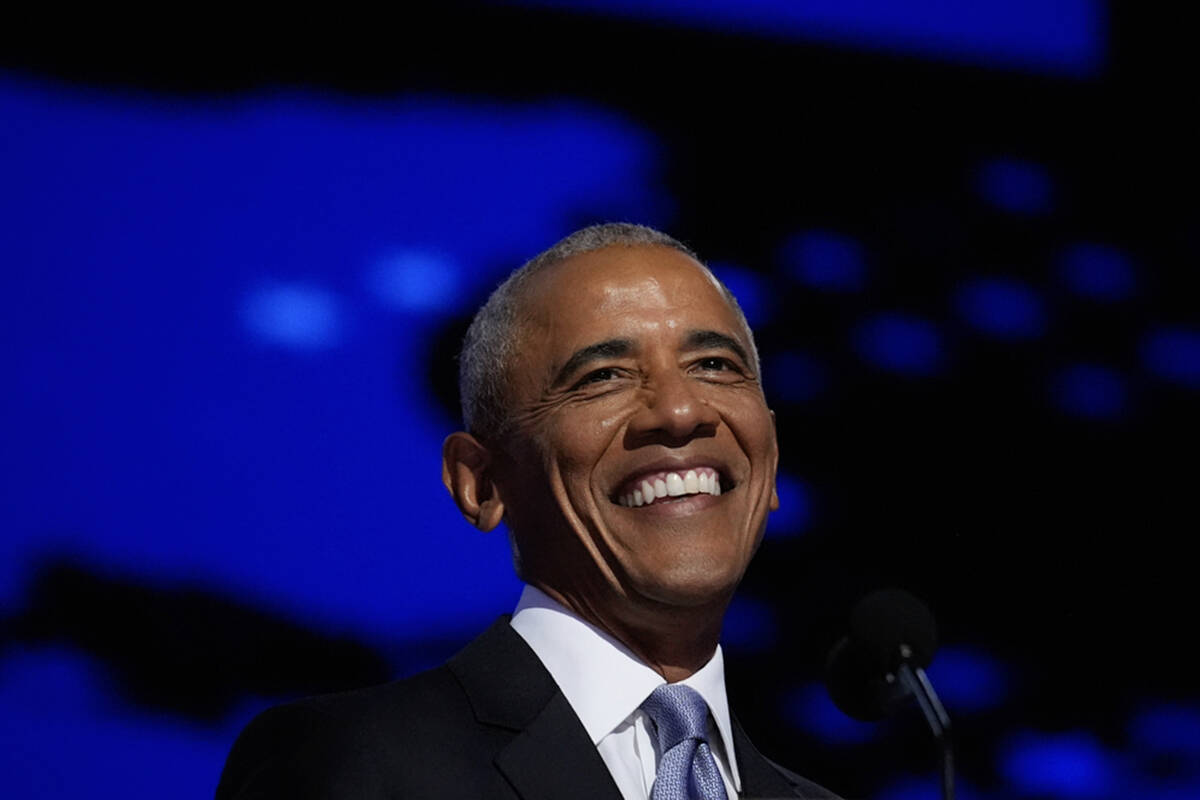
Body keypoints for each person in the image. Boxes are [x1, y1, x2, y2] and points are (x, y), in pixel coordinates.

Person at [216, 223, 840, 799]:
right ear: (481, 483)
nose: (681, 411)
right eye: (604, 376)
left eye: (714, 365)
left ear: (772, 456)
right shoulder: (351, 765)